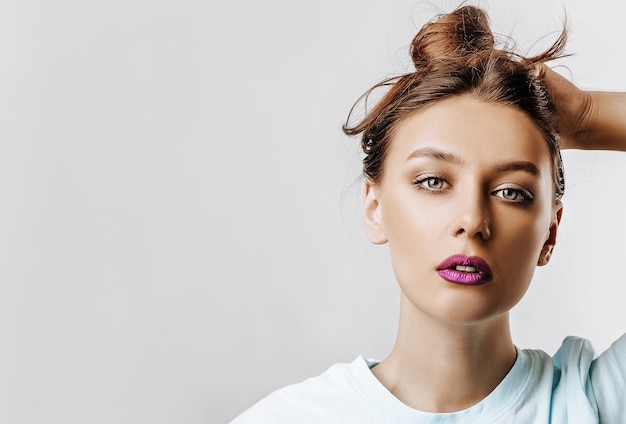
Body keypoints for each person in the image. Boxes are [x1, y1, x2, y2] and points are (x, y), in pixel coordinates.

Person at [231, 5, 626, 423]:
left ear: (550, 232)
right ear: (375, 207)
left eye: (511, 191)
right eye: (433, 182)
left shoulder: (595, 405)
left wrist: (584, 117)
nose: (472, 220)